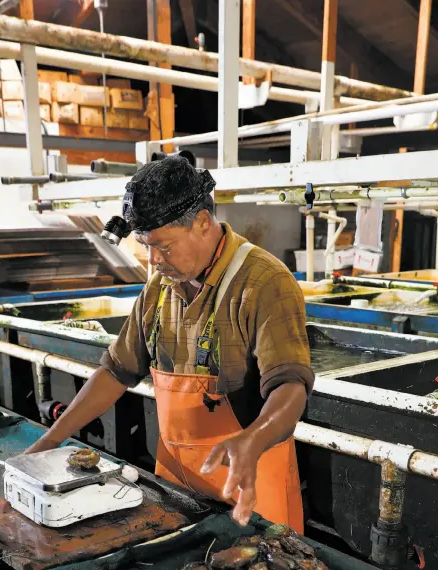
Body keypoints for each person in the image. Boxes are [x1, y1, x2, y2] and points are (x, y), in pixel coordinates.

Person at [26, 155, 314, 530]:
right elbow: (116, 371)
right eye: (146, 246)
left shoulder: (264, 282)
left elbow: (290, 386)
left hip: (248, 486)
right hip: (176, 488)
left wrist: (253, 439)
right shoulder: (159, 288)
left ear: (202, 223)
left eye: (163, 246)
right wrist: (50, 441)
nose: (154, 260)